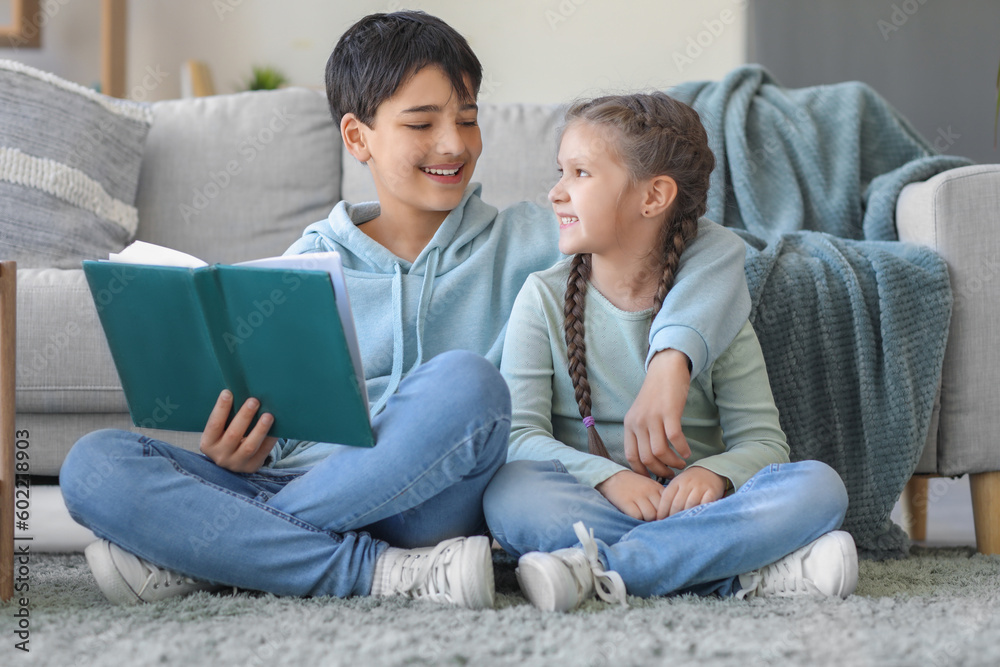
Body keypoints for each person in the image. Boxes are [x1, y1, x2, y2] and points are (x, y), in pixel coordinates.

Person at [60, 11, 750, 610]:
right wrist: (234, 451)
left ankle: (219, 552)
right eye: (422, 123)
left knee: (468, 384)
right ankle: (371, 572)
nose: (454, 143)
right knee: (93, 463)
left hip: (438, 502)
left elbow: (711, 245)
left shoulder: (537, 238)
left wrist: (672, 358)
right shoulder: (300, 263)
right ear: (358, 139)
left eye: (468, 119)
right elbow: (279, 427)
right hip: (311, 483)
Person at [483, 92, 858, 612]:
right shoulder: (541, 298)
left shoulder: (714, 309)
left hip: (696, 511)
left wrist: (713, 474)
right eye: (559, 171)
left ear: (654, 197)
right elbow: (519, 438)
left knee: (820, 487)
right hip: (597, 506)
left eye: (581, 173)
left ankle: (603, 569)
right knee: (509, 492)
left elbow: (766, 444)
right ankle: (737, 572)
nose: (556, 192)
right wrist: (609, 478)